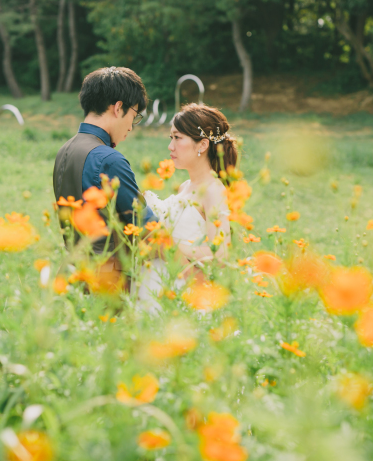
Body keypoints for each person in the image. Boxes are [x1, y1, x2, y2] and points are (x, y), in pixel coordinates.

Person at [137, 103, 238, 310]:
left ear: (202, 145)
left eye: (177, 138)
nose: (170, 146)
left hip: (186, 296)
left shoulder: (213, 190)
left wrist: (166, 245)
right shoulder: (185, 187)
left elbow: (220, 255)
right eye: (170, 138)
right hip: (158, 288)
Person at [53, 66, 157, 259]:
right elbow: (145, 225)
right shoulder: (109, 159)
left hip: (75, 270)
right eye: (133, 117)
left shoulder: (64, 150)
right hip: (108, 276)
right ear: (118, 108)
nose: (131, 128)